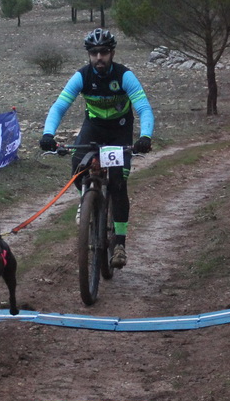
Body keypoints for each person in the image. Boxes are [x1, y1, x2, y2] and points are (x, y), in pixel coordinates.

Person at [39, 28, 154, 269]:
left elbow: (143, 108)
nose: (98, 57)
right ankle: (86, 201)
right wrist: (48, 134)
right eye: (93, 53)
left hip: (119, 131)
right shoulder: (82, 76)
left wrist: (145, 136)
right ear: (89, 55)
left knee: (118, 183)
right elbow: (59, 106)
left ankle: (119, 243)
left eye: (103, 52)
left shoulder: (124, 76)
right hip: (93, 128)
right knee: (77, 168)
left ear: (112, 53)